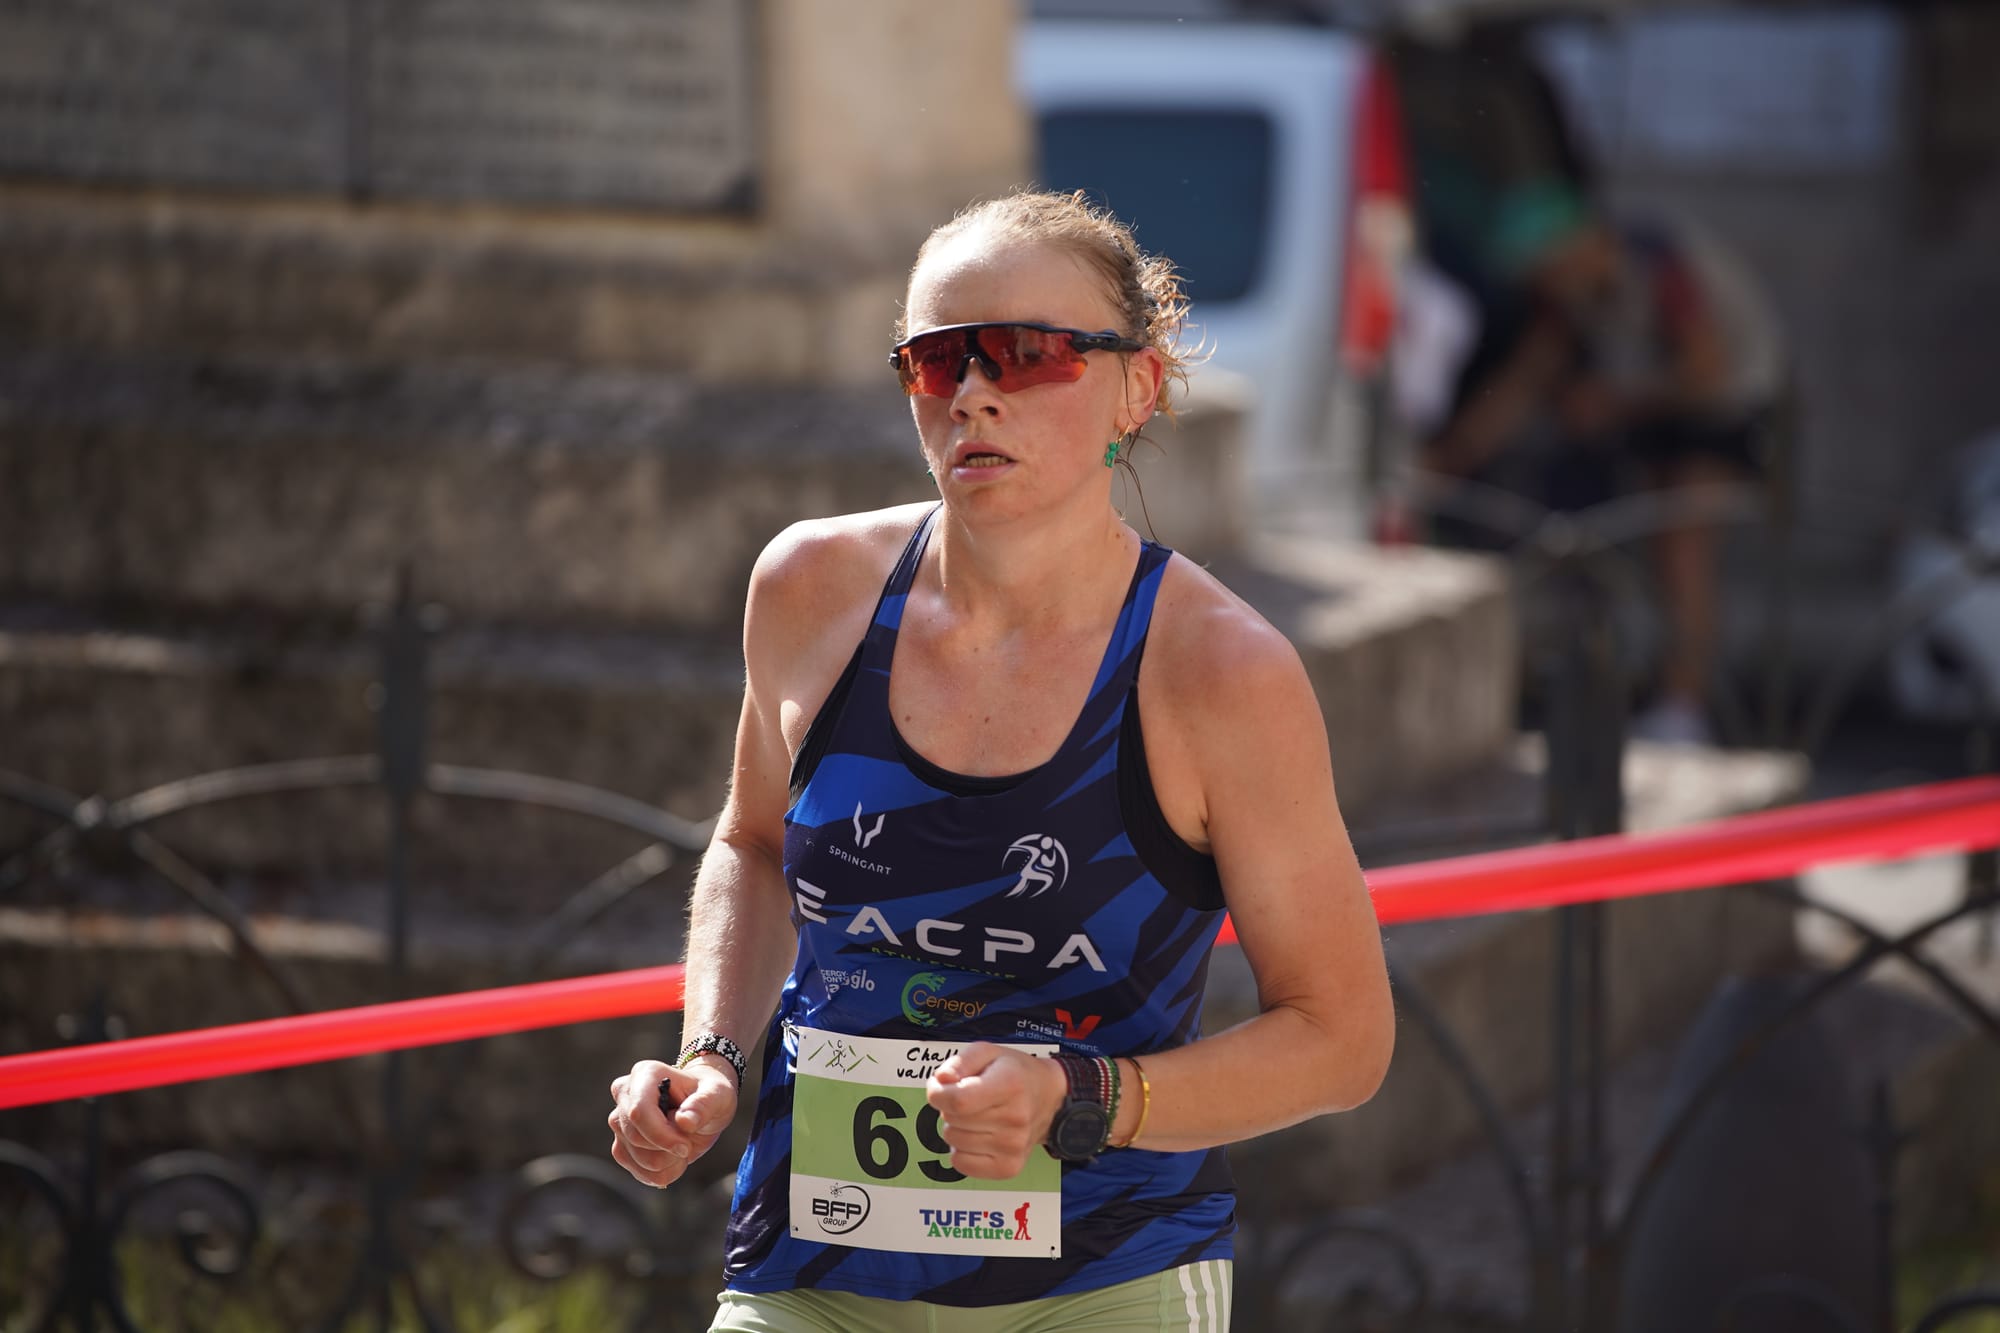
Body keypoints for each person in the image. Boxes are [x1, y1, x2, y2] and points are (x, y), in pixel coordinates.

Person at [608, 189, 1394, 1332]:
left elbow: (1342, 1039)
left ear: (1138, 386)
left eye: (1027, 355)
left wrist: (1077, 1095)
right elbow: (758, 840)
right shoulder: (808, 591)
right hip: (808, 1260)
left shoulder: (1220, 671)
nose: (974, 390)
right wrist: (713, 1057)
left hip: (1101, 1280)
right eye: (936, 362)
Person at [1423, 182, 1786, 744]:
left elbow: (1707, 371)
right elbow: (1522, 384)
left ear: (1580, 244)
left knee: (1682, 548)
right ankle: (1661, 688)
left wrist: (1612, 404)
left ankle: (1685, 708)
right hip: (1660, 413)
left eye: (1549, 267)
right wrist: (1451, 458)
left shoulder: (1658, 267)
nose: (1548, 284)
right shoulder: (1575, 296)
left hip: (1730, 409)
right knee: (1639, 547)